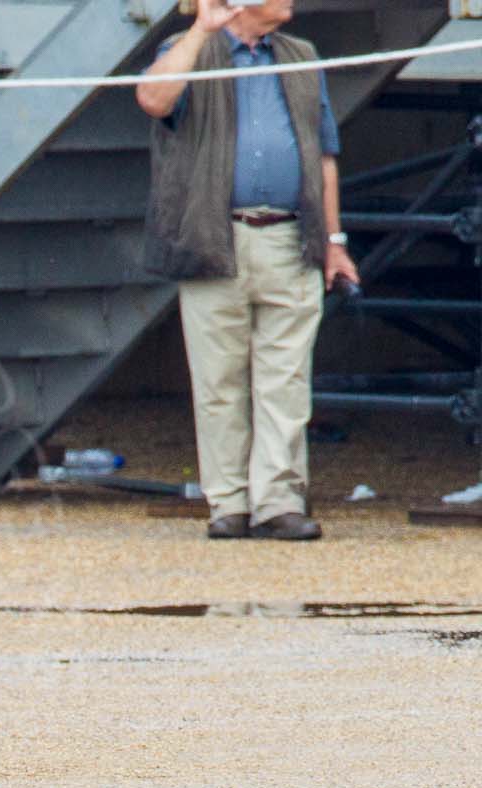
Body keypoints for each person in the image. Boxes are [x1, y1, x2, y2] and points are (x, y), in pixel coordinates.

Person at [139, 0, 359, 542]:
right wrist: (201, 28)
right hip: (217, 237)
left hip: (291, 236)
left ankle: (279, 501)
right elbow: (153, 98)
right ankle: (228, 502)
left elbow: (325, 155)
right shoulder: (189, 52)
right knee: (218, 381)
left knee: (286, 380)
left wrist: (334, 242)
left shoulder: (301, 56)